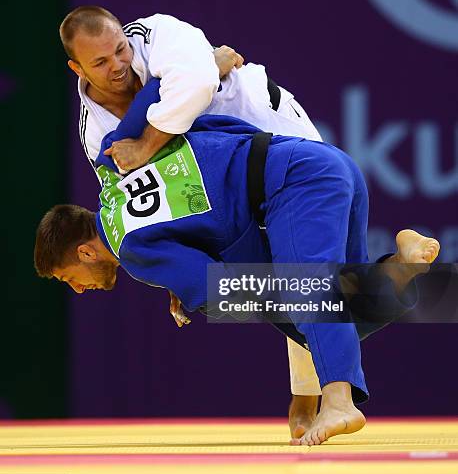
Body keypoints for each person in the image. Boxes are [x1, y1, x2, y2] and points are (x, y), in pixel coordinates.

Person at [35, 80, 440, 446]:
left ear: (85, 251)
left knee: (306, 297)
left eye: (69, 277)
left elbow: (216, 287)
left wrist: (218, 297)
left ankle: (338, 400)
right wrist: (212, 64)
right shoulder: (113, 161)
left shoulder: (133, 251)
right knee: (348, 308)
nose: (77, 288)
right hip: (323, 161)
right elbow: (165, 88)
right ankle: (402, 264)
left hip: (294, 186)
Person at [60, 5, 324, 436]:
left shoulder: (155, 33)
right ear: (78, 68)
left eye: (120, 51)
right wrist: (176, 270)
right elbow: (149, 200)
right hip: (216, 182)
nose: (119, 66)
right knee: (280, 277)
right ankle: (328, 381)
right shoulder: (95, 133)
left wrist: (146, 143)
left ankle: (316, 395)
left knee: (308, 261)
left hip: (264, 124)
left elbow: (199, 82)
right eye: (101, 62)